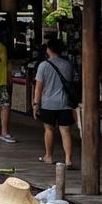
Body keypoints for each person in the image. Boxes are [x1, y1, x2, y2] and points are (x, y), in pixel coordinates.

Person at [32, 38, 77, 167]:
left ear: (49, 50)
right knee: (65, 131)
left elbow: (39, 87)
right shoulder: (68, 65)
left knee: (49, 130)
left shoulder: (43, 65)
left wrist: (36, 104)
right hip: (65, 103)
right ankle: (68, 159)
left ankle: (49, 156)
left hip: (48, 103)